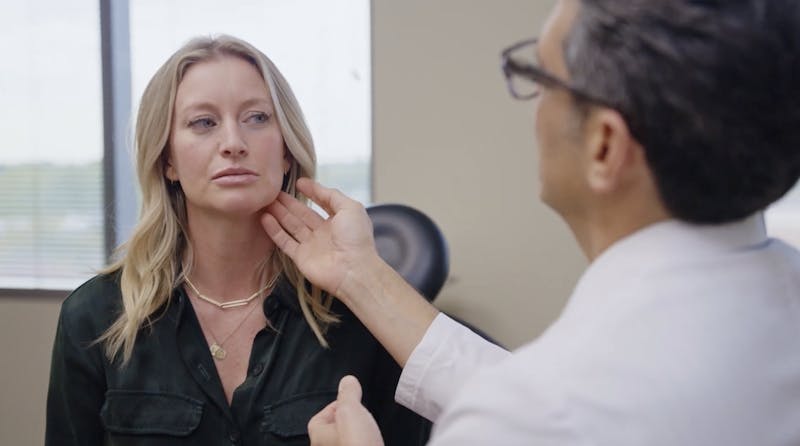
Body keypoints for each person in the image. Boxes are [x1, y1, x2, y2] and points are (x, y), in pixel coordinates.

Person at [261, 0, 800, 444]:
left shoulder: (528, 417)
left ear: (604, 145)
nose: (532, 110)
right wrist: (359, 274)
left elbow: (538, 411)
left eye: (537, 77)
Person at [45, 35, 431, 446]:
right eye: (204, 123)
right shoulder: (94, 317)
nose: (233, 143)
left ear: (285, 151)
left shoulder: (359, 314)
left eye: (257, 118)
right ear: (168, 160)